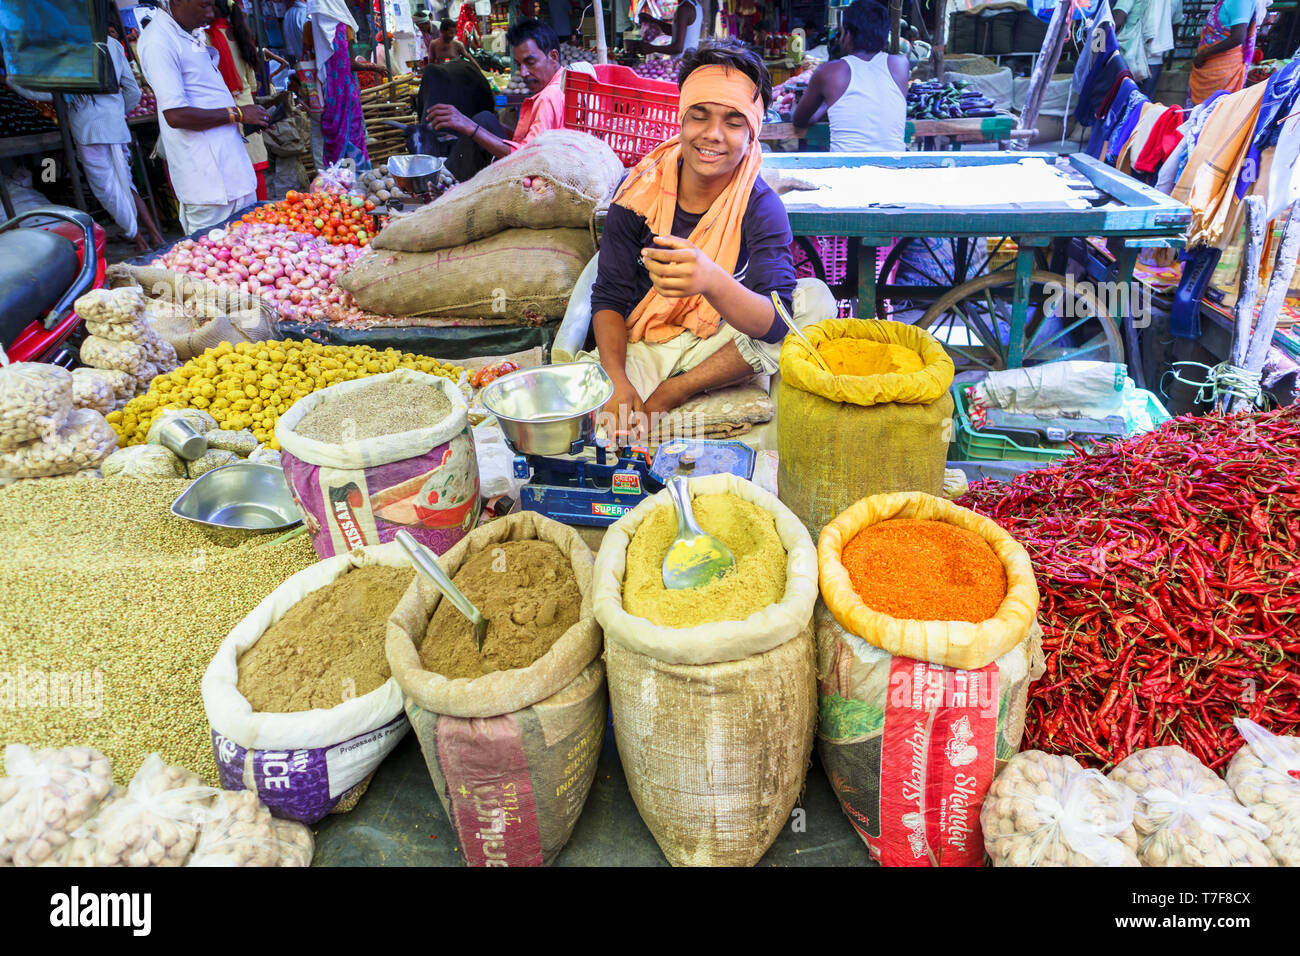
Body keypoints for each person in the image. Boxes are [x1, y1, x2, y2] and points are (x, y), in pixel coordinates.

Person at [579, 40, 805, 432]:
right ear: (681, 120)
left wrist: (710, 280)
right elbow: (610, 295)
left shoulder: (761, 205)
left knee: (809, 304)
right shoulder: (638, 194)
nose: (713, 135)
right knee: (604, 429)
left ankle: (680, 390)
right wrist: (617, 379)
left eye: (734, 122)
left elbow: (774, 321)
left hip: (716, 345)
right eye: (699, 116)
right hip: (644, 345)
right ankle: (652, 390)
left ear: (752, 133)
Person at [5, 34, 164, 250]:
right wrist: (115, 111)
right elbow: (133, 91)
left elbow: (47, 92)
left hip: (87, 128)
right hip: (115, 124)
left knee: (107, 188)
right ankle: (155, 236)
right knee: (125, 182)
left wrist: (13, 80)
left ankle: (139, 240)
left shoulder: (66, 45)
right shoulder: (112, 43)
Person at [138, 0, 269, 235]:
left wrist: (244, 119)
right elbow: (176, 115)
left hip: (233, 175)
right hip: (209, 189)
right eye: (204, 6)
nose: (211, 13)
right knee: (214, 263)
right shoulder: (158, 41)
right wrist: (238, 114)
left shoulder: (188, 33)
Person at [425, 18, 565, 161]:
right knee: (486, 119)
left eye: (530, 63)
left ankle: (448, 177)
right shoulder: (559, 83)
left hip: (534, 169)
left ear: (553, 57)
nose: (523, 73)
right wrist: (479, 126)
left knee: (481, 122)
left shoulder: (549, 97)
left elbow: (526, 157)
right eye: (519, 64)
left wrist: (469, 127)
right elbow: (528, 142)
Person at [791, 0, 907, 151]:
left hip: (845, 171)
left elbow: (799, 121)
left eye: (841, 33)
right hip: (896, 167)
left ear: (848, 34)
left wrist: (826, 104)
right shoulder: (900, 65)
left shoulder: (829, 72)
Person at [300, 0, 389, 169]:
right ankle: (355, 177)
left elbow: (305, 57)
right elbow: (350, 63)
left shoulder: (309, 27)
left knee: (321, 139)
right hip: (345, 93)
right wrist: (373, 67)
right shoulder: (344, 27)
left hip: (318, 94)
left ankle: (328, 178)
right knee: (353, 133)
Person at [206, 0, 271, 200]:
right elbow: (252, 84)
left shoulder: (207, 39)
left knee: (237, 175)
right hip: (249, 108)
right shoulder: (241, 35)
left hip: (226, 112)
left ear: (213, 9)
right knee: (256, 169)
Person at [1188, 0, 1270, 104]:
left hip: (1221, 71)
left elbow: (1238, 37)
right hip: (1210, 67)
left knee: (1211, 113)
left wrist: (1204, 53)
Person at [633, 0, 704, 56]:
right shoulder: (695, 5)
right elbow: (676, 32)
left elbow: (678, 48)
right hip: (688, 58)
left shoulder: (684, 9)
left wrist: (652, 48)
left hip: (682, 61)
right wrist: (653, 20)